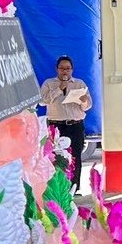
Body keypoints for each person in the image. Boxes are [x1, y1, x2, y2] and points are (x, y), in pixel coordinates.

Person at [38, 55, 92, 191]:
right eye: (62, 68)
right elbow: (42, 101)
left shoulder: (79, 84)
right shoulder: (49, 83)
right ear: (57, 69)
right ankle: (58, 188)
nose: (65, 71)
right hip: (56, 126)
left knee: (76, 156)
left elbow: (88, 106)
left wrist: (83, 100)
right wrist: (59, 88)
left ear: (72, 70)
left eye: (68, 68)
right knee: (57, 157)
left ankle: (75, 187)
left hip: (75, 125)